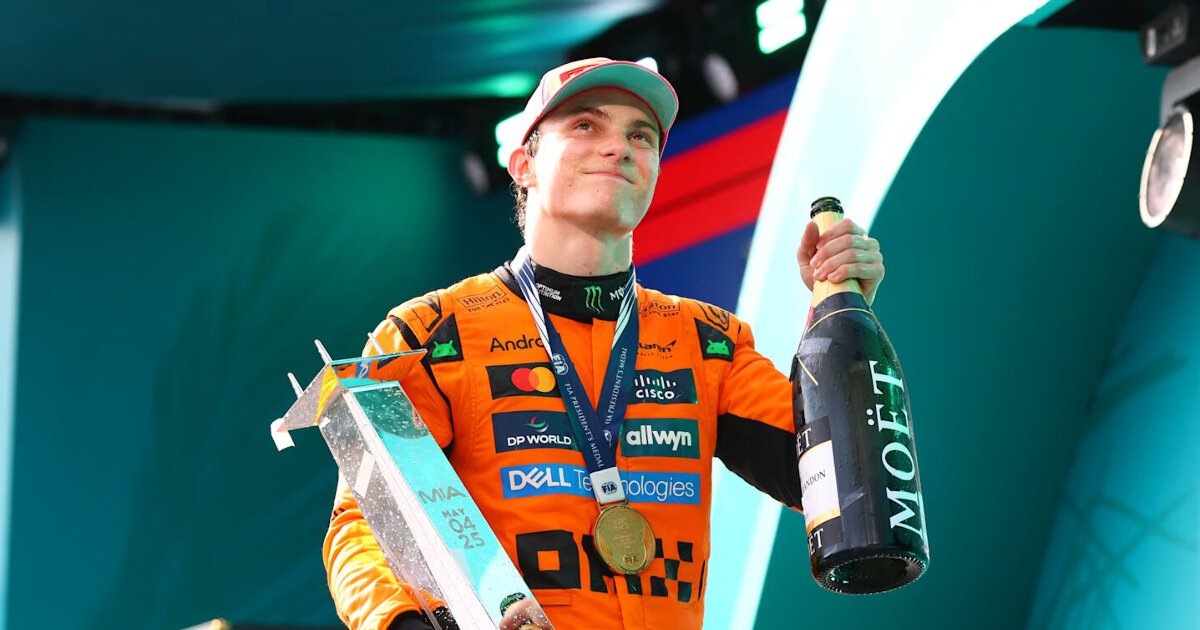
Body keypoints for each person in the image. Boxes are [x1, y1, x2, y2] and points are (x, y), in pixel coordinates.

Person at [323, 58, 885, 630]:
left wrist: (837, 308)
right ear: (524, 165)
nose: (618, 147)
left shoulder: (707, 341)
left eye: (640, 136)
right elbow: (365, 526)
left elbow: (836, 478)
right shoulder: (427, 334)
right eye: (586, 125)